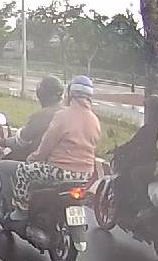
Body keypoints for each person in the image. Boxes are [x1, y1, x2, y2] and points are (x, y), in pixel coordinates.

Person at [10, 75, 101, 219]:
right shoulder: (95, 120)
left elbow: (46, 145)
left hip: (59, 171)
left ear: (71, 93)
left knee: (22, 171)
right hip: (85, 175)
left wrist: (32, 159)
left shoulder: (62, 116)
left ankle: (21, 210)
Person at [0, 76, 64, 210]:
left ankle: (20, 206)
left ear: (42, 95)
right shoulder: (68, 114)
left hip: (47, 165)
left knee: (3, 167)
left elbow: (22, 139)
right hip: (74, 171)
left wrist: (5, 142)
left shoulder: (43, 115)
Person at [110, 94, 158, 223]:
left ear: (151, 111)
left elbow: (133, 145)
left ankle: (144, 205)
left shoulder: (148, 129)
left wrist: (119, 151)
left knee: (133, 174)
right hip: (157, 164)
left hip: (150, 165)